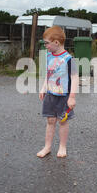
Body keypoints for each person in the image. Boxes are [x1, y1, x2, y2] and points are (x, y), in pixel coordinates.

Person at [37, 26, 78, 158]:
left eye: (47, 43)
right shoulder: (48, 56)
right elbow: (48, 74)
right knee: (50, 121)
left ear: (56, 42)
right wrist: (44, 87)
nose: (45, 46)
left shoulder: (69, 59)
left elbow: (75, 77)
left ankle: (62, 146)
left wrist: (72, 97)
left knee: (63, 121)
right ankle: (47, 147)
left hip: (63, 96)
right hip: (50, 95)